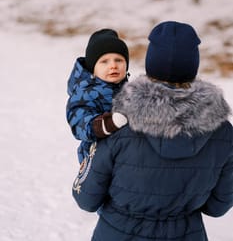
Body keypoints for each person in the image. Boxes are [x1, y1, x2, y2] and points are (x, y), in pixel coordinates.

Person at [72, 21, 233, 241]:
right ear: (193, 64)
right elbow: (217, 206)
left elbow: (86, 198)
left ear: (151, 62)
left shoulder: (121, 121)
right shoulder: (223, 132)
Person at [66, 28, 129, 164]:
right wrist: (105, 124)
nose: (113, 65)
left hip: (125, 156)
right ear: (93, 68)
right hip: (96, 159)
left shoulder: (132, 90)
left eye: (119, 60)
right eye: (104, 61)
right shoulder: (85, 93)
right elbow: (79, 122)